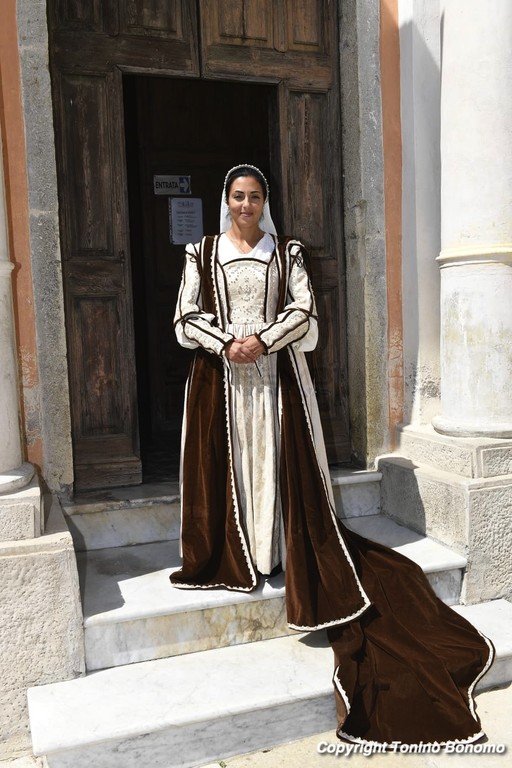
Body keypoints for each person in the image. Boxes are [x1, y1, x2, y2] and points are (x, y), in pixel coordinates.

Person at [171, 164, 494, 747]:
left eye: (254, 197)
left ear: (265, 202)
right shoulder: (202, 252)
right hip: (221, 380)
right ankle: (241, 553)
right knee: (231, 466)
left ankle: (278, 549)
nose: (246, 205)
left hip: (278, 378)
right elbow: (184, 316)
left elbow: (304, 310)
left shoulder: (286, 252)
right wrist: (227, 344)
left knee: (282, 466)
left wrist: (263, 340)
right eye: (238, 197)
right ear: (226, 200)